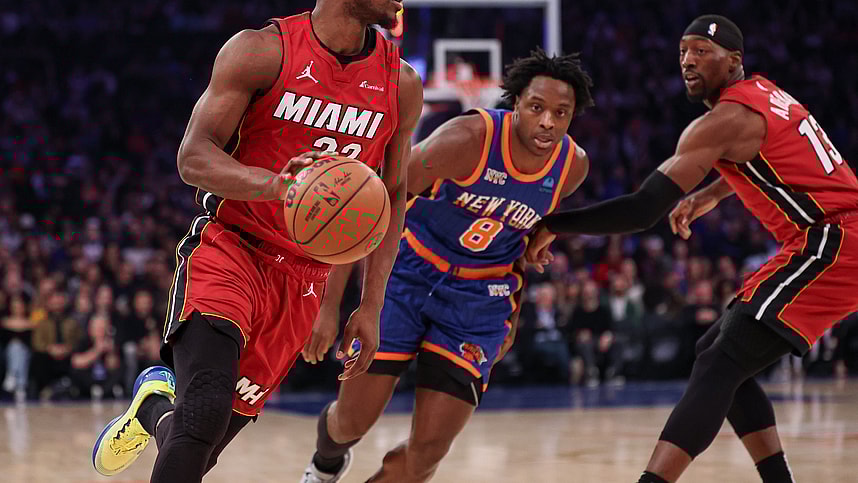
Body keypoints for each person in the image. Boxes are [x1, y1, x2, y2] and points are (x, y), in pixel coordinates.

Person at [91, 0, 423, 480]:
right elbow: (193, 157)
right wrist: (276, 186)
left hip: (305, 279)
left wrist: (370, 306)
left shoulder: (401, 84)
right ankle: (169, 410)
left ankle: (152, 409)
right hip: (233, 248)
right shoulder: (262, 51)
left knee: (200, 444)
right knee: (202, 414)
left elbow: (392, 196)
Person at [527, 14, 858, 483]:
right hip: (835, 237)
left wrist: (556, 224)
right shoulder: (767, 95)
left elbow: (643, 210)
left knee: (719, 364)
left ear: (734, 61)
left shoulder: (722, 120)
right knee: (715, 352)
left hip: (835, 242)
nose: (688, 60)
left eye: (702, 51)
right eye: (684, 51)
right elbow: (772, 153)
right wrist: (711, 192)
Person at [298, 48, 593, 483]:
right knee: (351, 422)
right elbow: (368, 205)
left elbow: (530, 220)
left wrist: (541, 237)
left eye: (561, 112)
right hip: (408, 273)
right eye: (537, 107)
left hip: (480, 300)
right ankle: (325, 465)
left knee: (428, 454)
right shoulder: (467, 140)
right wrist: (330, 307)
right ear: (515, 104)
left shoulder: (573, 167)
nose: (548, 121)